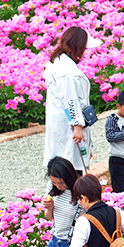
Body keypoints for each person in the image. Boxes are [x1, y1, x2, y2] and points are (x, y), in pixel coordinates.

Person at [42, 26, 92, 172]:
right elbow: (70, 100)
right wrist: (77, 126)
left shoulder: (59, 62)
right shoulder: (65, 70)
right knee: (68, 166)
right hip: (68, 125)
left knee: (65, 163)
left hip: (63, 122)